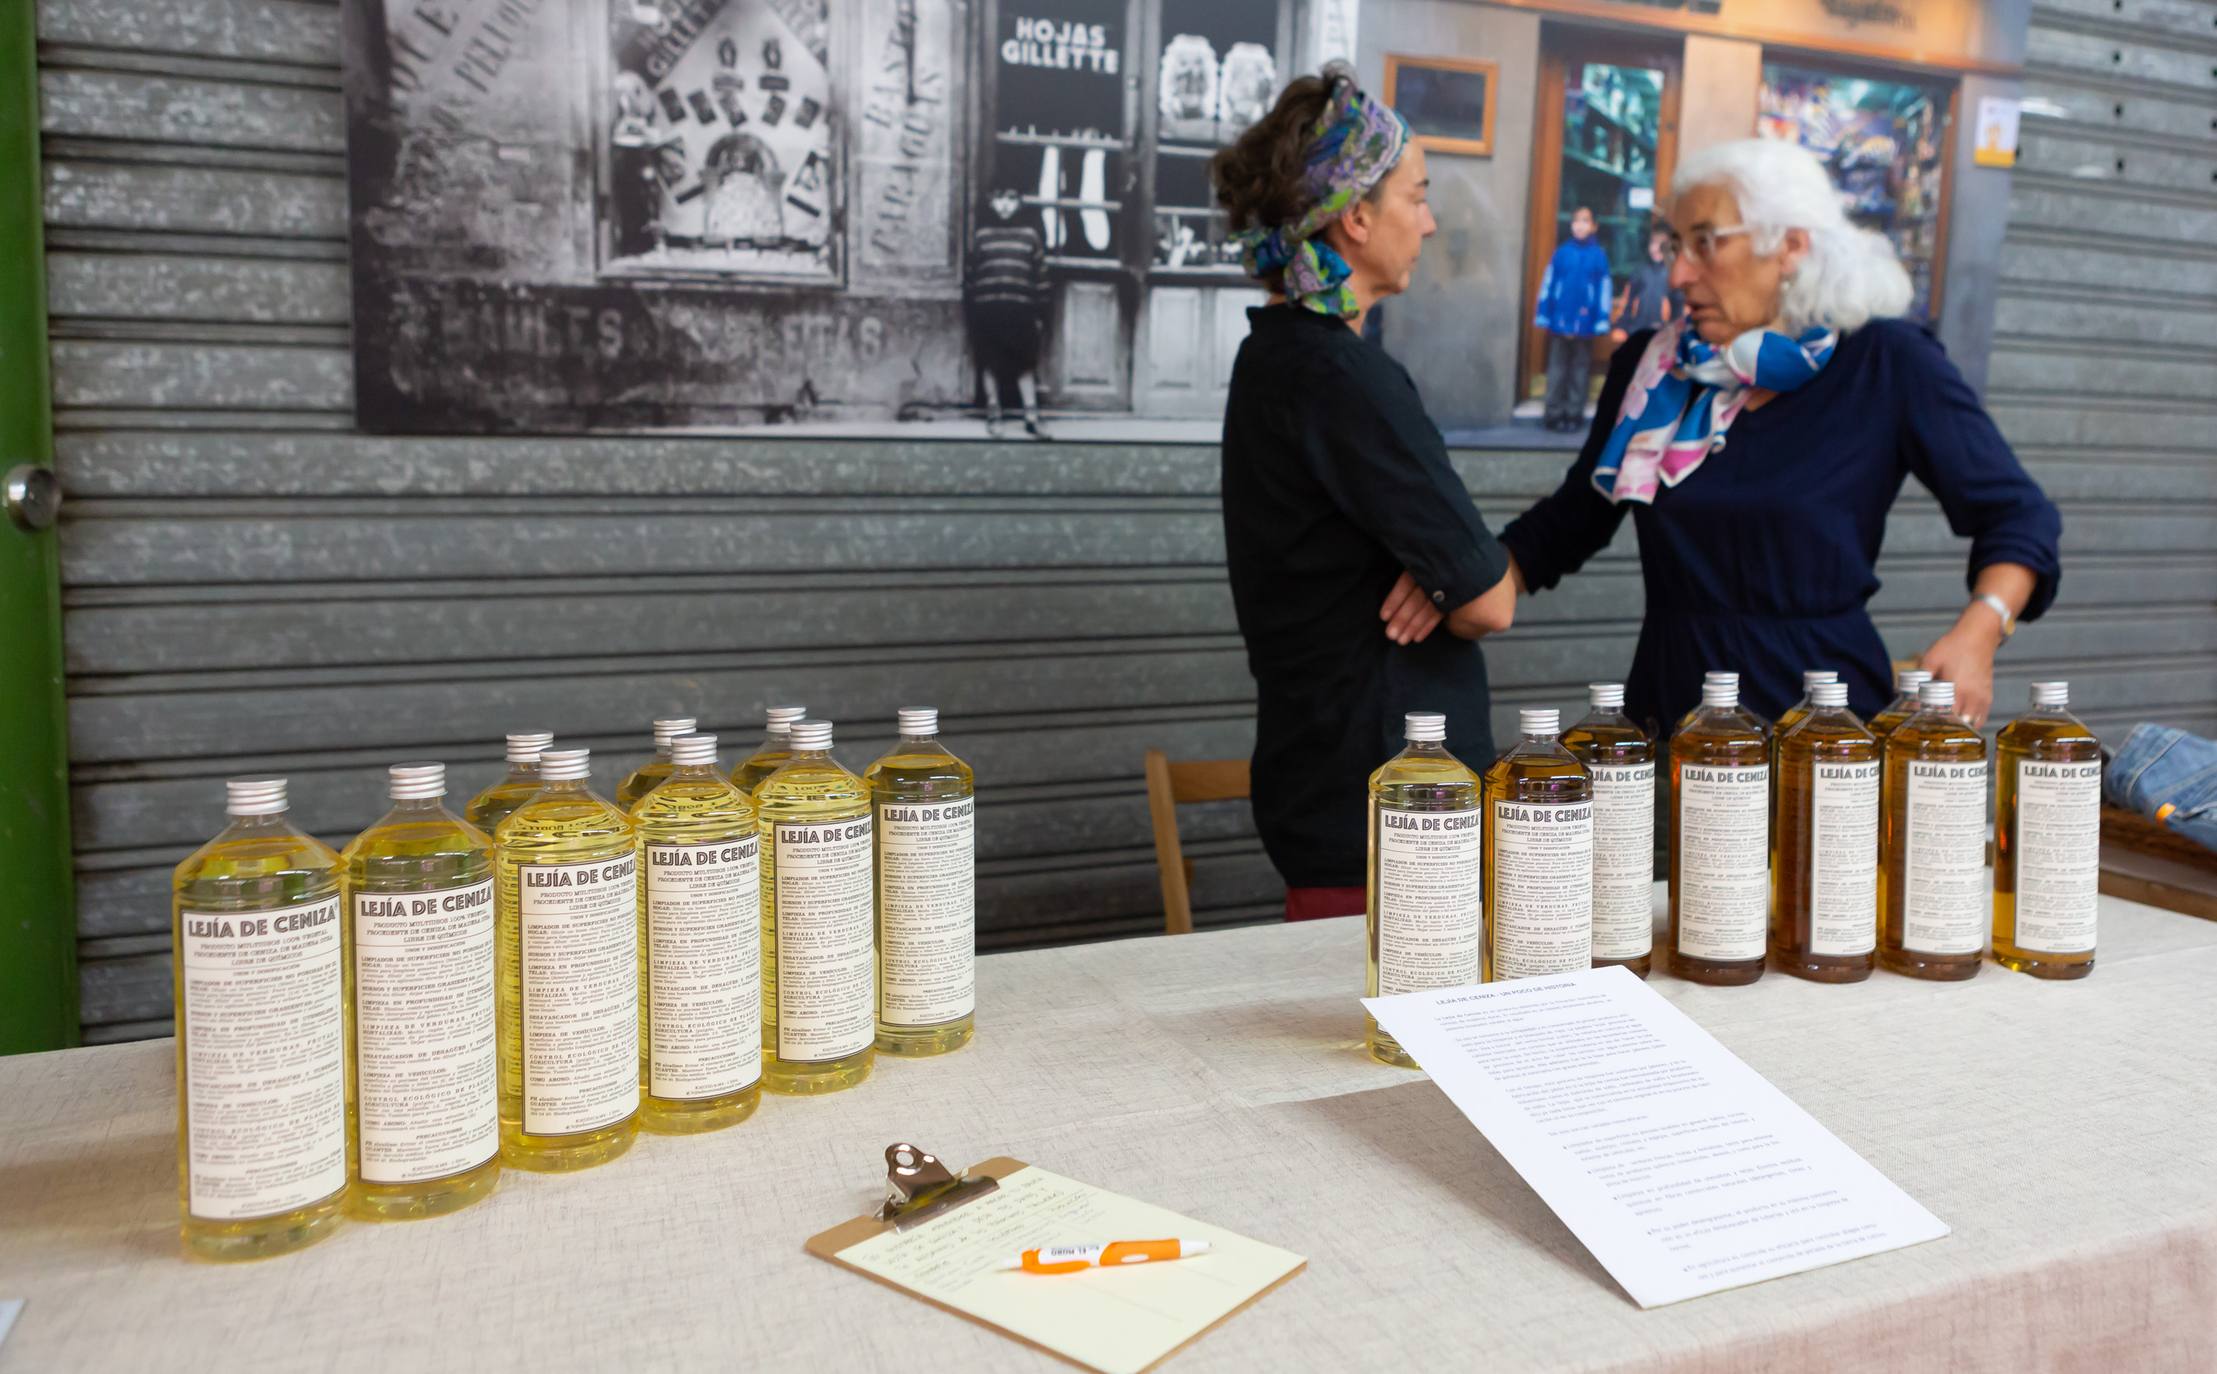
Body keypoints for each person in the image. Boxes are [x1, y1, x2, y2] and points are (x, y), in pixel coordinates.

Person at [1492, 138, 2061, 733]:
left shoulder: (1883, 363)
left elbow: (2018, 516)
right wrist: (1465, 574)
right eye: (1676, 245)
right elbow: (1576, 516)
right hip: (1676, 718)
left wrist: (1980, 630)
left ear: (1790, 245)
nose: (1680, 273)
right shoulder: (1656, 369)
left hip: (1826, 734)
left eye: (1706, 244)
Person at [1214, 66, 1517, 919]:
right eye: (1415, 197)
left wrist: (1438, 570)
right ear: (1355, 216)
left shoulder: (1273, 356)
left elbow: (1445, 569)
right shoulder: (1340, 374)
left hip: (1343, 803)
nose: (1427, 221)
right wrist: (1451, 572)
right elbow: (1490, 599)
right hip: (1386, 827)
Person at [964, 187, 1051, 440]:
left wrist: (1040, 311)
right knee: (990, 363)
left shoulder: (1029, 237)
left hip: (1021, 310)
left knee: (1025, 364)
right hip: (989, 311)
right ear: (991, 202)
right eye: (999, 198)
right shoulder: (982, 237)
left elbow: (1041, 277)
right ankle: (994, 415)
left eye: (1011, 199)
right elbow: (971, 276)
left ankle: (1032, 417)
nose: (1005, 205)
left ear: (1020, 203)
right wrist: (975, 308)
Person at [1534, 206, 1612, 431]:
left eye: (1585, 221)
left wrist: (1601, 319)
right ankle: (1553, 413)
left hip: (1585, 324)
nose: (1580, 225)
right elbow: (1549, 284)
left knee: (1579, 369)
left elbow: (1603, 290)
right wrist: (1544, 313)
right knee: (1557, 368)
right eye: (1576, 220)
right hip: (1560, 321)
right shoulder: (1562, 253)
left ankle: (1573, 413)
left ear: (1594, 226)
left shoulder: (1598, 256)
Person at [1612, 225, 1679, 343]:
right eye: (1653, 243)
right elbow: (1627, 301)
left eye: (1662, 244)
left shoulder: (1674, 273)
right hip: (1637, 330)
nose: (1657, 248)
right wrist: (1621, 326)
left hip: (1663, 335)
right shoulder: (1639, 271)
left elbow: (1678, 307)